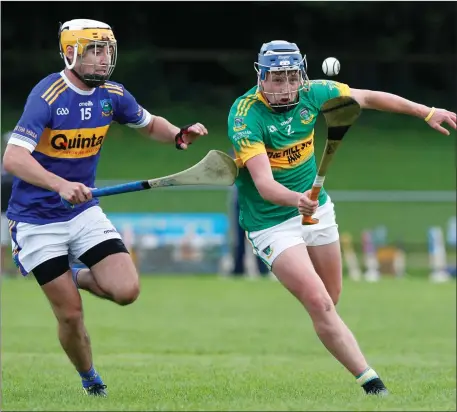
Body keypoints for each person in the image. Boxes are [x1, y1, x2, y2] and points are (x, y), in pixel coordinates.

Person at [227, 40, 456, 396]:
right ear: (261, 76)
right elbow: (265, 184)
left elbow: (370, 98)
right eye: (276, 78)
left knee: (331, 298)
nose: (285, 87)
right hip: (270, 221)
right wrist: (296, 200)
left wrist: (425, 112)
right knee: (318, 301)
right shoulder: (245, 115)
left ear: (300, 75)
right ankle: (373, 385)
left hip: (317, 209)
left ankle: (326, 324)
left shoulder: (315, 93)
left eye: (291, 77)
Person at [2, 19, 208, 397]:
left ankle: (72, 275)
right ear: (70, 53)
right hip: (36, 221)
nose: (102, 58)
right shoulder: (47, 95)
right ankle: (90, 380)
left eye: (106, 50)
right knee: (71, 314)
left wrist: (178, 136)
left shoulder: (112, 94)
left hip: (84, 213)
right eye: (93, 50)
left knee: (127, 290)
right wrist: (60, 184)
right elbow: (13, 158)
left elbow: (148, 124)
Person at [1, 132, 16, 277]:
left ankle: (20, 271)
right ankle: (2, 270)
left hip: (17, 211)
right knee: (2, 243)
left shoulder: (20, 163)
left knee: (19, 242)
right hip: (2, 211)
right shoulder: (2, 164)